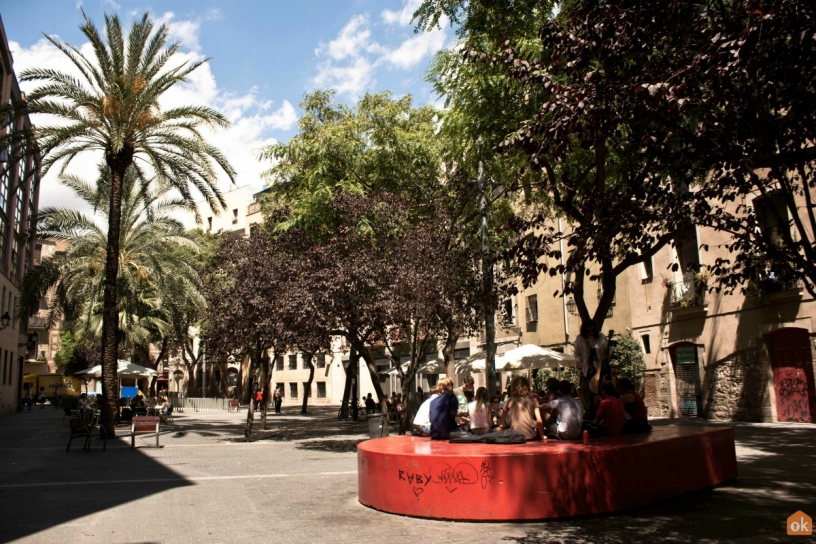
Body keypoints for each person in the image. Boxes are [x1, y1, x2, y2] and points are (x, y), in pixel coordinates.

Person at [574, 321, 609, 418]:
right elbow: (577, 354)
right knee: (586, 393)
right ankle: (590, 413)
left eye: (592, 330)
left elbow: (608, 350)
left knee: (601, 390)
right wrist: (580, 362)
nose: (590, 332)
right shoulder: (580, 338)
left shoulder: (601, 337)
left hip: (600, 368)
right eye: (588, 330)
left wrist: (608, 353)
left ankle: (601, 412)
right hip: (587, 370)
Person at [499, 376, 545, 440]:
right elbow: (539, 420)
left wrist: (508, 426)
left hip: (515, 436)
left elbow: (502, 419)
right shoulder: (534, 400)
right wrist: (542, 436)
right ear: (527, 387)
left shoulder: (509, 401)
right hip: (531, 436)